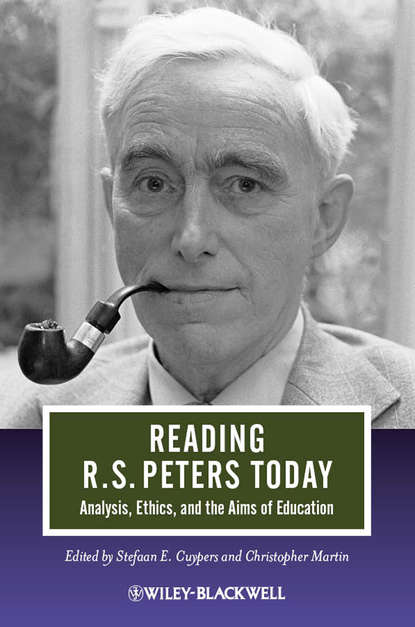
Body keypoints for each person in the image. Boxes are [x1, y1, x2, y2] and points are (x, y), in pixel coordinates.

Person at [1, 7, 414, 428]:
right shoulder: (32, 425)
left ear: (324, 219)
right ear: (112, 206)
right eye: (154, 184)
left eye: (245, 185)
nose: (191, 239)